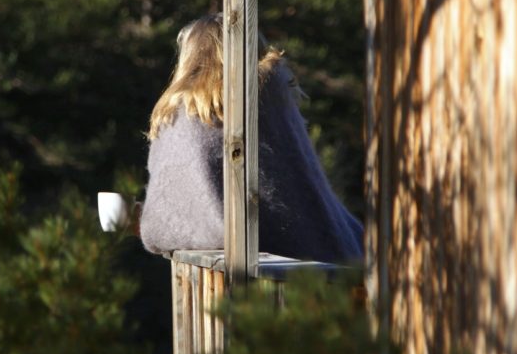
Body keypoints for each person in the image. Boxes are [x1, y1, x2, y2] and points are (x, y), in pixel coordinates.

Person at [139, 14, 363, 263]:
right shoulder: (268, 97)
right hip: (319, 253)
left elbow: (161, 223)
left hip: (270, 268)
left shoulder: (173, 115)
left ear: (189, 57)